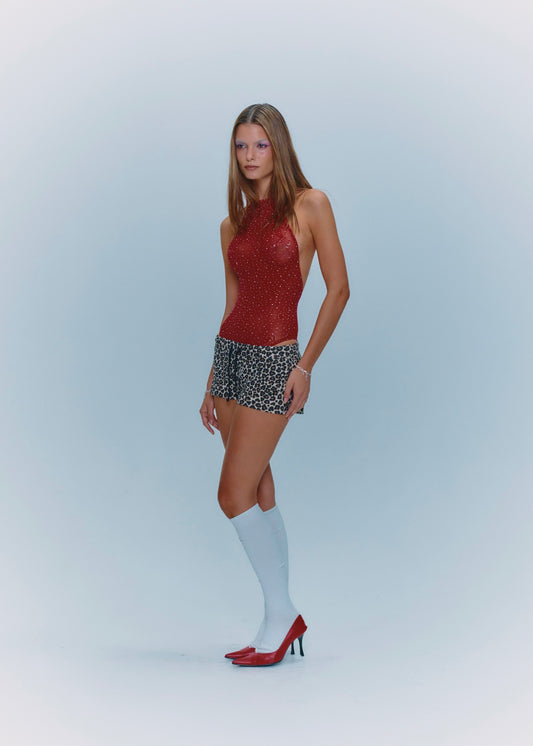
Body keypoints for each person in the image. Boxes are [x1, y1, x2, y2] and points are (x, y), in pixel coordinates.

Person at [199, 103, 349, 667]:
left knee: (231, 494)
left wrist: (304, 367)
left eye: (260, 144)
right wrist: (211, 378)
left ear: (278, 147)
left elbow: (338, 289)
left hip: (274, 360)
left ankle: (282, 615)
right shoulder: (231, 225)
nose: (249, 155)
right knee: (258, 491)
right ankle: (277, 617)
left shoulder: (311, 205)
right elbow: (233, 302)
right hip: (230, 362)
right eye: (241, 145)